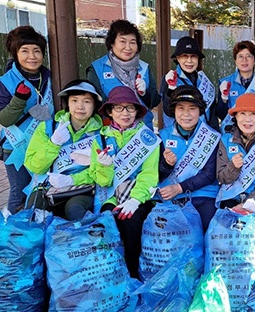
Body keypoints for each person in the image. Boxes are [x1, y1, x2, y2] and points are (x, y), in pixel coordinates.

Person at [90, 86, 160, 279]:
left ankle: (132, 274)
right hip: (111, 196)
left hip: (139, 195)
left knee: (131, 221)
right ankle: (108, 273)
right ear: (110, 111)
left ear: (137, 111)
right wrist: (104, 167)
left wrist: (135, 200)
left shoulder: (148, 138)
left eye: (130, 108)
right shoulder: (101, 139)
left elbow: (149, 174)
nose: (125, 113)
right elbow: (101, 181)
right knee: (105, 222)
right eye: (119, 108)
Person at [0, 25, 54, 213]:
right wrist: (19, 99)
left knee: (44, 191)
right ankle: (11, 236)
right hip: (17, 145)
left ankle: (35, 234)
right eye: (25, 51)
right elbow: (4, 118)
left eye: (37, 51)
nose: (32, 56)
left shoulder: (52, 76)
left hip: (46, 144)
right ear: (15, 53)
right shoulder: (4, 82)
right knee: (19, 192)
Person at [24, 79, 103, 220]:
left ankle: (79, 242)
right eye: (74, 101)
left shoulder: (102, 134)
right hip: (48, 186)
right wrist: (54, 143)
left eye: (86, 101)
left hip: (83, 188)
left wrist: (71, 180)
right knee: (32, 213)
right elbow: (34, 166)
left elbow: (103, 173)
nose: (80, 106)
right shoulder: (48, 127)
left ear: (94, 105)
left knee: (74, 209)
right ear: (67, 103)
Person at [157, 86, 220, 232]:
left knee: (209, 230)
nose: (186, 114)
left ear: (200, 111)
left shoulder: (211, 137)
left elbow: (210, 174)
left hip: (204, 195)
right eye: (181, 108)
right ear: (174, 111)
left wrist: (180, 188)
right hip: (169, 196)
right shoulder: (162, 136)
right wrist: (166, 165)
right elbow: (156, 174)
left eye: (192, 108)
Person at [87, 19, 160, 130]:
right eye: (122, 41)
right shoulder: (97, 69)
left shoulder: (144, 68)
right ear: (112, 42)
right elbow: (95, 103)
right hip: (111, 134)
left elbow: (154, 101)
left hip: (142, 134)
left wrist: (144, 94)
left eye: (132, 42)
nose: (128, 47)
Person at [217, 93, 255, 216]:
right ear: (235, 117)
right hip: (231, 196)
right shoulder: (226, 140)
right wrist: (233, 167)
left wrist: (251, 202)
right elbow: (221, 177)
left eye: (253, 114)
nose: (248, 119)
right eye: (243, 114)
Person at [161, 36, 219, 130]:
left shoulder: (203, 80)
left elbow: (211, 114)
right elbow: (168, 110)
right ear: (178, 58)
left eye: (193, 56)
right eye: (185, 56)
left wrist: (216, 133)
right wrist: (170, 88)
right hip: (177, 136)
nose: (189, 61)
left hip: (203, 135)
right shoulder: (170, 79)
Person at [216, 40, 255, 133]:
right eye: (240, 56)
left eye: (249, 56)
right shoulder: (225, 82)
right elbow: (221, 114)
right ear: (235, 60)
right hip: (231, 134)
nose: (244, 60)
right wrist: (224, 98)